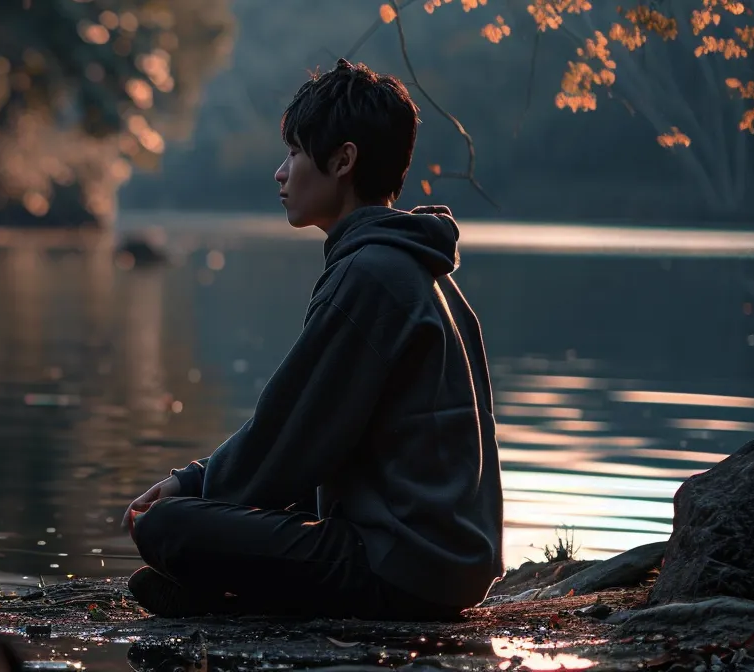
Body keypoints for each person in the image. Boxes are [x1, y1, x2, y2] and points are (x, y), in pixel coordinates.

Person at [120, 59, 504, 621]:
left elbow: (288, 433)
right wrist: (206, 483)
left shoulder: (371, 275)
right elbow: (318, 436)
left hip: (406, 566)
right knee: (224, 516)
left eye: (295, 153)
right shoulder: (417, 269)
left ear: (343, 160)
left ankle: (228, 598)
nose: (281, 172)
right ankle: (223, 597)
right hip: (446, 560)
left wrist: (189, 487)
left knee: (168, 526)